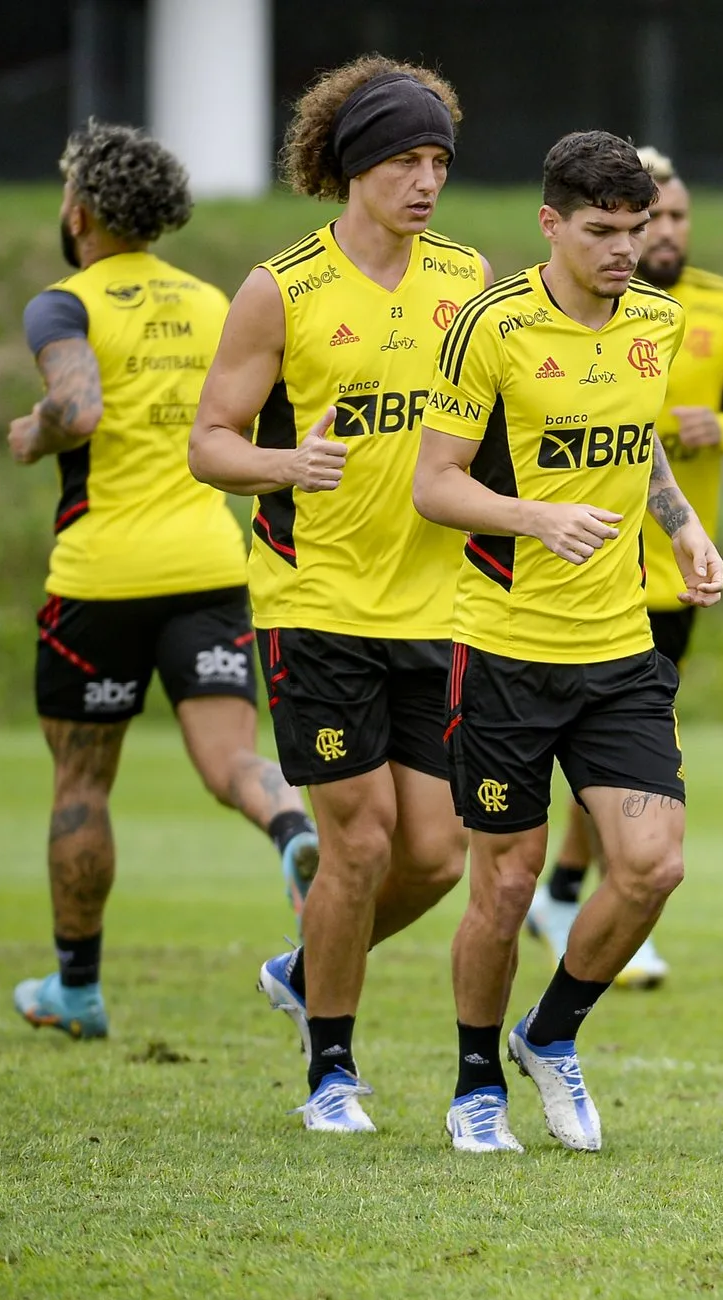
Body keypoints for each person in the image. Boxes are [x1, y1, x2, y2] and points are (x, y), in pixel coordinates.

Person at [190, 58, 488, 1133]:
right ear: (355, 166)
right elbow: (210, 442)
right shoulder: (283, 288)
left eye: (438, 162)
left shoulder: (466, 278)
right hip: (313, 601)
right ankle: (330, 1073)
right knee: (356, 842)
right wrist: (284, 469)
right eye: (405, 160)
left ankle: (303, 960)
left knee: (438, 853)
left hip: (439, 605)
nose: (425, 182)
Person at [414, 130, 723, 1155]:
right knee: (502, 884)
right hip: (502, 649)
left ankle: (550, 1034)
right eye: (600, 231)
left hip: (618, 646)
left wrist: (680, 523)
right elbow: (436, 483)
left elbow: (633, 453)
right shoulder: (490, 326)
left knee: (651, 865)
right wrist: (534, 515)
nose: (623, 250)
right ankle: (472, 1085)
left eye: (635, 230)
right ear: (549, 222)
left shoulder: (657, 319)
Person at [7, 122, 318, 1040]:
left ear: (82, 210)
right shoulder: (214, 301)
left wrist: (36, 433)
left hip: (102, 575)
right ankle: (293, 835)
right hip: (211, 566)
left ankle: (78, 989)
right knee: (231, 760)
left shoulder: (63, 304)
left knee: (81, 780)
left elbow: (77, 406)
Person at [524, 145, 723, 988]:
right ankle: (595, 899)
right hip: (571, 571)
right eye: (647, 220)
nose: (660, 235)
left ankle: (572, 891)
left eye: (669, 219)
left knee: (620, 750)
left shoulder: (718, 309)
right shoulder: (545, 314)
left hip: (671, 572)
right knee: (624, 752)